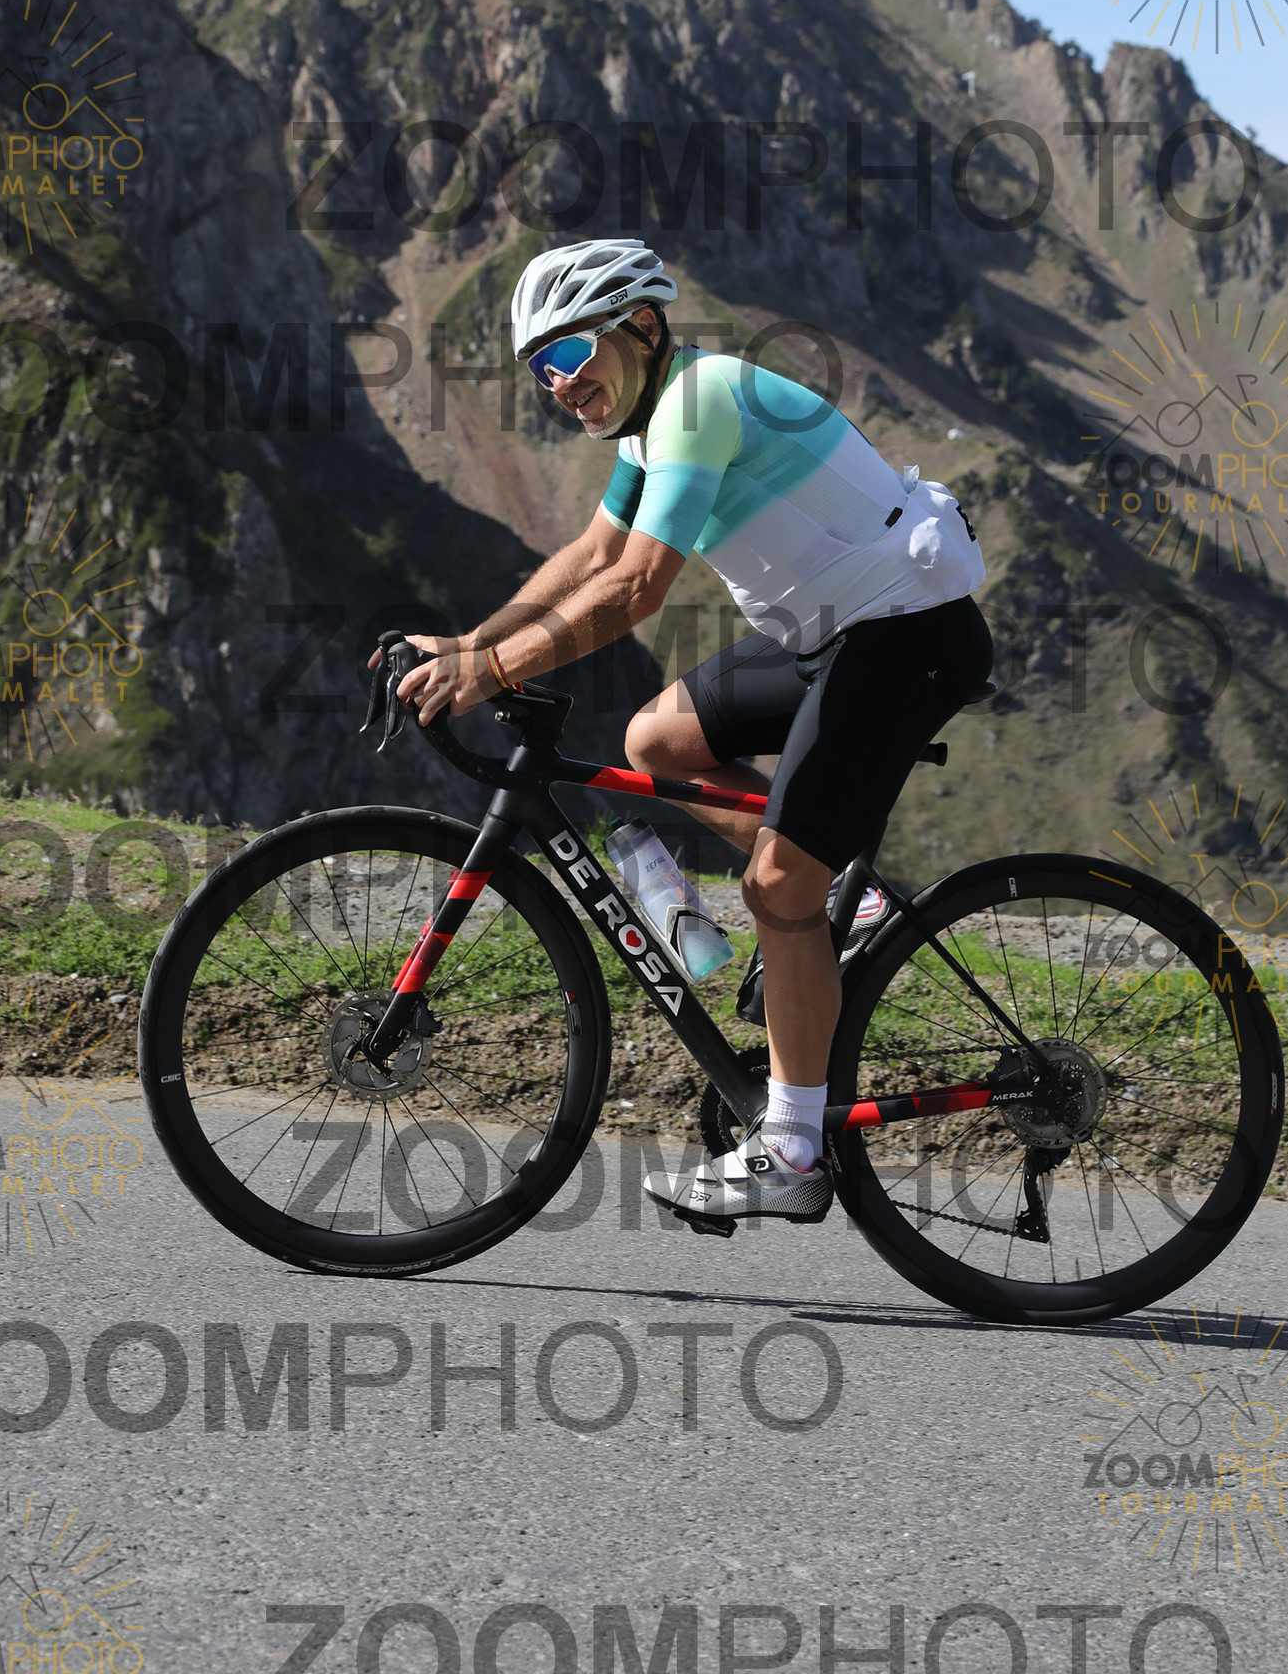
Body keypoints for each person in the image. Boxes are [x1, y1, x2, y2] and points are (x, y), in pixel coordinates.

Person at [380, 237, 992, 1224]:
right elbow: (594, 551)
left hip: (904, 635)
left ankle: (792, 1152)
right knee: (656, 742)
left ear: (640, 326)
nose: (558, 384)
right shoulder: (647, 424)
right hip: (831, 633)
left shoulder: (699, 404)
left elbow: (633, 590)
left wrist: (489, 672)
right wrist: (470, 641)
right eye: (540, 368)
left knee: (775, 889)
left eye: (568, 354)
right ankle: (856, 902)